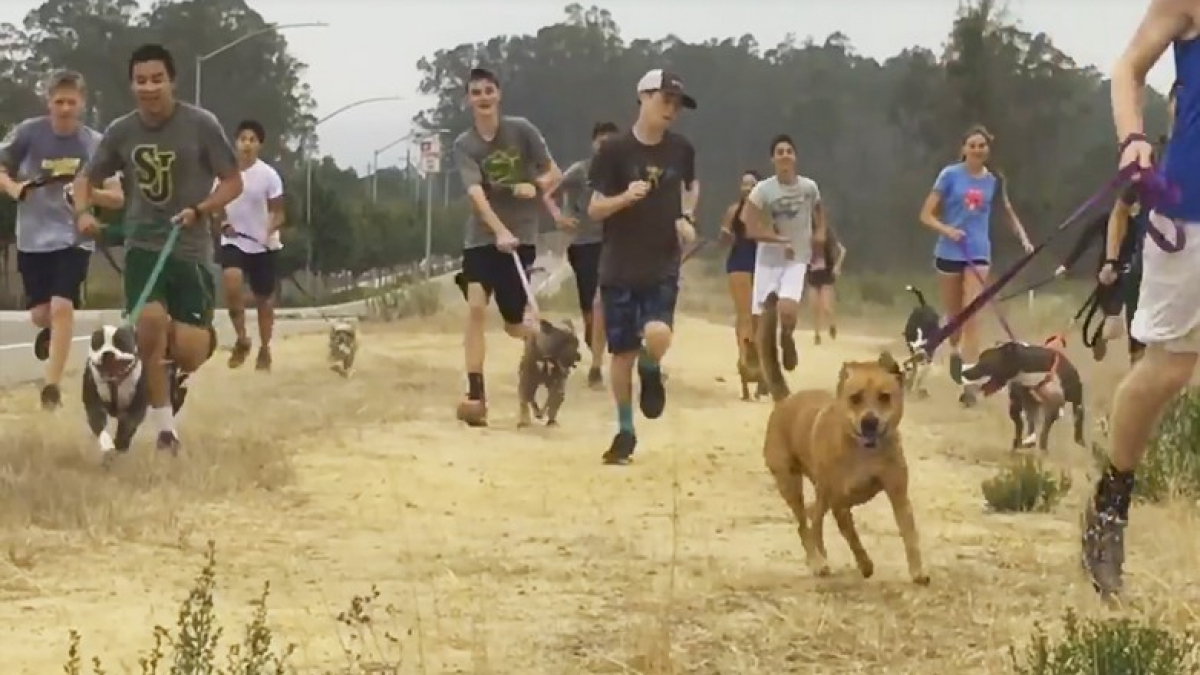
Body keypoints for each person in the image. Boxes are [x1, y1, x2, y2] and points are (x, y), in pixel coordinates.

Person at [1084, 0, 1200, 597]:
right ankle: (1110, 504)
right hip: (1190, 214)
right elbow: (1128, 67)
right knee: (1167, 370)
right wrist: (1133, 139)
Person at [73, 43, 243, 452]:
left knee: (186, 351)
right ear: (132, 85)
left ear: (172, 81)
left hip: (190, 250)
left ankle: (182, 358)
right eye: (141, 81)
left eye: (157, 79)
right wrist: (83, 212)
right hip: (143, 248)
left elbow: (233, 181)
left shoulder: (201, 124)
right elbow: (85, 178)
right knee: (149, 328)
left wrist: (202, 209)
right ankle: (166, 431)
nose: (149, 88)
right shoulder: (121, 131)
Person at [587, 69, 698, 465]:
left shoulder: (681, 149)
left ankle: (652, 369)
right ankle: (625, 430)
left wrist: (686, 217)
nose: (671, 110)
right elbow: (594, 207)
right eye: (665, 100)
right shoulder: (614, 151)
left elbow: (690, 186)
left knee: (658, 334)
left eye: (677, 104)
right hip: (618, 266)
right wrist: (624, 198)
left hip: (661, 262)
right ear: (643, 97)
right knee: (621, 354)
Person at [0, 70, 123, 410]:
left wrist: (87, 192)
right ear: (48, 103)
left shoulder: (94, 144)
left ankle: (51, 386)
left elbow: (117, 198)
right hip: (33, 238)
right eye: (59, 102)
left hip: (72, 237)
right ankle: (52, 331)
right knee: (42, 316)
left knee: (61, 307)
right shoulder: (28, 134)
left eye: (72, 102)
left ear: (82, 103)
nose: (65, 108)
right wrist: (15, 189)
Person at [452, 66, 561, 427]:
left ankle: (551, 350)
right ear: (468, 100)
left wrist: (536, 184)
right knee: (476, 307)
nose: (482, 97)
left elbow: (553, 172)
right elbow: (476, 195)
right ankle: (475, 392)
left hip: (522, 238)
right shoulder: (464, 146)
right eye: (476, 92)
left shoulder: (522, 130)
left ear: (498, 95)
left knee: (516, 325)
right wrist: (497, 230)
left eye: (488, 91)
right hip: (483, 239)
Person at [918, 125, 1034, 407]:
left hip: (978, 253)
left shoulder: (993, 181)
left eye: (982, 145)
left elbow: (1006, 212)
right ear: (963, 149)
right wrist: (947, 230)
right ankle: (950, 353)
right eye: (972, 145)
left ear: (988, 149)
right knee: (954, 320)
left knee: (972, 317)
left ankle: (969, 386)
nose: (978, 150)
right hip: (949, 250)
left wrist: (1024, 239)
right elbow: (925, 215)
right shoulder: (949, 175)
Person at [740, 134, 826, 374]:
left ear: (795, 157)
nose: (785, 155)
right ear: (773, 159)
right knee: (760, 315)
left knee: (787, 309)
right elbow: (749, 226)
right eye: (780, 152)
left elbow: (820, 213)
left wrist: (820, 232)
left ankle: (786, 337)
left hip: (797, 257)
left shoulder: (809, 187)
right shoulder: (763, 190)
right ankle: (758, 353)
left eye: (789, 151)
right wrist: (777, 239)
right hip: (768, 259)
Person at [551, 121, 619, 389]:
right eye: (600, 142)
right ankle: (595, 350)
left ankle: (598, 363)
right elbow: (550, 193)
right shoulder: (580, 171)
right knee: (590, 310)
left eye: (610, 142)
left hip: (614, 242)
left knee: (607, 302)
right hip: (584, 244)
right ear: (593, 144)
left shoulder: (623, 172)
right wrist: (561, 217)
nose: (604, 147)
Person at [216, 119, 285, 372]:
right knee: (231, 283)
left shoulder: (269, 176)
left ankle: (264, 349)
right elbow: (216, 206)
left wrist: (269, 231)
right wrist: (223, 224)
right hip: (234, 241)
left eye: (252, 140)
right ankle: (241, 338)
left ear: (259, 145)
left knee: (264, 300)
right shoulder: (224, 172)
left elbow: (278, 213)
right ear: (235, 143)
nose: (247, 144)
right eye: (243, 139)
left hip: (263, 246)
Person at [718, 170, 760, 380]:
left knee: (757, 316)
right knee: (744, 314)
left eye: (751, 184)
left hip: (761, 264)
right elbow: (723, 240)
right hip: (739, 262)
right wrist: (726, 234)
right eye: (744, 184)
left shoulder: (765, 211)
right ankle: (744, 358)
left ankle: (756, 356)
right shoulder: (733, 211)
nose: (747, 188)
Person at [806, 226, 846, 345]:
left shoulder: (828, 237)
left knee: (826, 306)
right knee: (814, 307)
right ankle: (817, 334)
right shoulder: (808, 237)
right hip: (813, 275)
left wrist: (837, 266)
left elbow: (842, 250)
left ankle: (832, 324)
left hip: (826, 275)